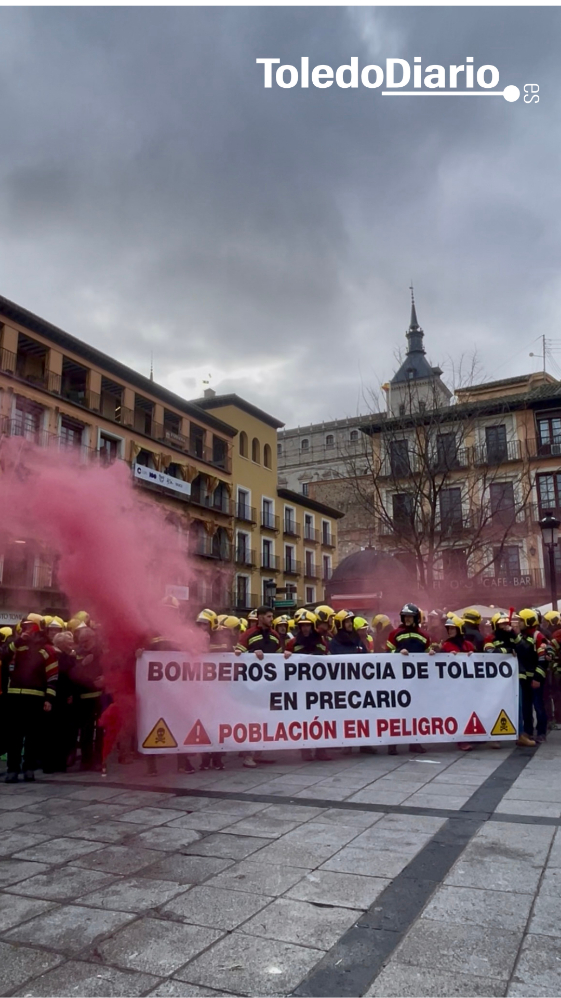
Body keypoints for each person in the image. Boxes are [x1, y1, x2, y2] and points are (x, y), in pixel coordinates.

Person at [3, 620, 58, 782]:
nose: (27, 631)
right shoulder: (16, 647)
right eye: (24, 628)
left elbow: (53, 675)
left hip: (35, 697)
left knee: (33, 736)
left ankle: (29, 769)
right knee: (14, 736)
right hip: (14, 697)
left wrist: (49, 698)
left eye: (30, 628)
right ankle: (12, 770)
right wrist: (19, 640)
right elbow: (3, 654)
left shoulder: (46, 650)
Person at [386, 603, 435, 755]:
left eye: (410, 617)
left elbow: (428, 652)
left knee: (416, 712)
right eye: (405, 616)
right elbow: (386, 653)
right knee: (397, 712)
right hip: (398, 679)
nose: (407, 619)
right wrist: (398, 652)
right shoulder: (394, 634)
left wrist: (433, 653)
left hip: (417, 681)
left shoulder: (425, 635)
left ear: (416, 618)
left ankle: (415, 742)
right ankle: (392, 744)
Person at [235, 606, 280, 767]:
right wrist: (252, 655)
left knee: (265, 718)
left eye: (271, 616)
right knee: (251, 719)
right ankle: (248, 755)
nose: (271, 619)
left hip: (268, 686)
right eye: (268, 616)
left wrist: (287, 656)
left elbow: (280, 657)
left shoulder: (275, 636)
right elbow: (237, 656)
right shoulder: (248, 634)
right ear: (260, 617)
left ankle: (259, 752)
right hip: (252, 686)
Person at [285, 611, 330, 761]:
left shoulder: (321, 642)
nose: (305, 628)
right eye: (302, 626)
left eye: (307, 625)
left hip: (319, 686)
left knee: (321, 718)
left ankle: (321, 750)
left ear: (312, 626)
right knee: (303, 719)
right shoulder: (292, 643)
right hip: (301, 687)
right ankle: (305, 749)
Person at [70, 625, 105, 771]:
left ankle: (99, 760)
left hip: (101, 697)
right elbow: (70, 673)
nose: (84, 644)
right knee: (86, 731)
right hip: (83, 697)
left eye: (86, 640)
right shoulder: (76, 653)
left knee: (101, 730)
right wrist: (82, 664)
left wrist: (105, 678)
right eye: (81, 641)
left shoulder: (102, 652)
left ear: (93, 638)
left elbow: (112, 668)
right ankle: (86, 760)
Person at [42, 629, 77, 773]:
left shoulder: (59, 655)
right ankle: (54, 763)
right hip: (57, 698)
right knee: (56, 732)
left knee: (58, 732)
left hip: (60, 697)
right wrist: (72, 658)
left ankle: (56, 763)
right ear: (61, 644)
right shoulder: (59, 656)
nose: (72, 646)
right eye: (69, 643)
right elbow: (66, 673)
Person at [440, 616, 476, 752]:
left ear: (460, 629)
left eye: (452, 628)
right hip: (453, 686)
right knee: (459, 711)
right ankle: (461, 739)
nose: (449, 631)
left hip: (468, 685)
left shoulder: (469, 645)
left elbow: (479, 660)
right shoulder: (446, 645)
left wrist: (474, 655)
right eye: (448, 628)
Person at [516, 609, 547, 746]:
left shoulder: (538, 636)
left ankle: (541, 733)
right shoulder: (521, 636)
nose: (519, 623)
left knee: (538, 706)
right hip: (525, 679)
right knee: (526, 707)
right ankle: (527, 732)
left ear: (528, 621)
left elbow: (543, 659)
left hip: (535, 679)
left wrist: (537, 679)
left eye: (521, 620)